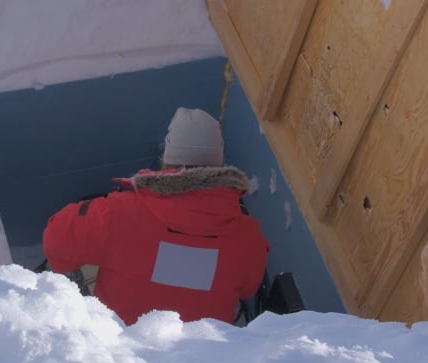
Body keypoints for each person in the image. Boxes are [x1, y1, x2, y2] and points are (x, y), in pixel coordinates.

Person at [42, 107, 269, 325]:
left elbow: (56, 241)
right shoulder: (248, 236)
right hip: (202, 353)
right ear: (219, 164)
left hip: (120, 339)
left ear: (168, 159)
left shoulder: (117, 213)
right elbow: (249, 288)